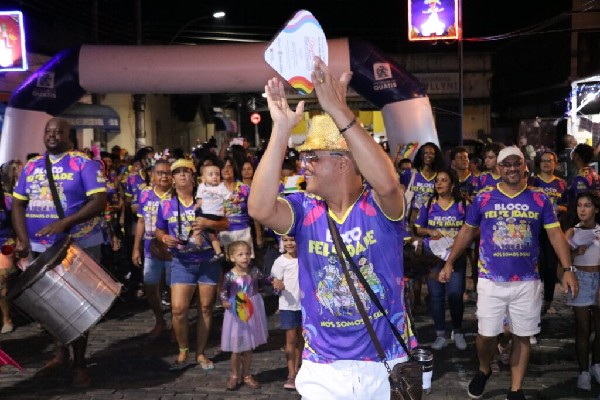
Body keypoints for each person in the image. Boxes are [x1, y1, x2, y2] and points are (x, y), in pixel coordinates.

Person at [249, 57, 413, 400]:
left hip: (384, 363)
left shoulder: (377, 206)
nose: (303, 165)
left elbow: (388, 184)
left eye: (313, 158)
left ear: (343, 163)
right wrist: (280, 131)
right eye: (303, 158)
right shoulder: (304, 209)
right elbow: (260, 209)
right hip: (322, 367)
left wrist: (339, 109)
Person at [440, 146, 578, 400]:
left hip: (527, 281)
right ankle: (484, 369)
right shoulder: (483, 198)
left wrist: (567, 269)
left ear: (524, 166)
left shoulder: (539, 199)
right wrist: (449, 262)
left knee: (522, 336)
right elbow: (467, 232)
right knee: (486, 335)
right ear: (499, 168)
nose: (512, 168)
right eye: (507, 164)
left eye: (517, 163)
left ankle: (516, 389)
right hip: (490, 280)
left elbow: (555, 235)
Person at [12, 117, 108, 388]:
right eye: (48, 131)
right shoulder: (32, 166)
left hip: (78, 243)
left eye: (58, 131)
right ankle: (60, 354)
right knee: (49, 305)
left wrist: (64, 223)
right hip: (40, 247)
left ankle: (79, 364)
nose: (52, 135)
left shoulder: (84, 163)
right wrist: (23, 239)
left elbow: (99, 201)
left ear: (69, 136)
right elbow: (18, 204)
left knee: (77, 306)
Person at [154, 158, 229, 371]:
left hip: (207, 260)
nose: (182, 175)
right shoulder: (166, 204)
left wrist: (208, 223)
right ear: (173, 178)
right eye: (178, 172)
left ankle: (201, 352)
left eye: (186, 172)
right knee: (178, 309)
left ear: (193, 177)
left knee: (205, 307)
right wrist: (164, 238)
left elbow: (225, 223)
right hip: (181, 261)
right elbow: (159, 229)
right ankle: (183, 348)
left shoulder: (206, 197)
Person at [414, 168, 468, 351]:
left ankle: (457, 331)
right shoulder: (429, 204)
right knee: (436, 296)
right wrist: (429, 231)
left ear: (452, 184)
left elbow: (471, 228)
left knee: (455, 295)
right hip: (433, 257)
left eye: (444, 180)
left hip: (456, 256)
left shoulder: (462, 204)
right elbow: (418, 228)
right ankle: (440, 334)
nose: (439, 183)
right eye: (437, 180)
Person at [132, 159, 173, 338]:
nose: (164, 176)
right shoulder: (145, 194)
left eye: (167, 173)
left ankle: (178, 323)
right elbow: (141, 221)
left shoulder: (177, 194)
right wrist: (136, 248)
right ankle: (160, 320)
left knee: (174, 287)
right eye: (160, 173)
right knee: (150, 285)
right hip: (150, 248)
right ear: (152, 175)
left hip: (172, 250)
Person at [564, 191, 600, 391]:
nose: (582, 209)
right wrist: (575, 252)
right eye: (579, 205)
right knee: (583, 328)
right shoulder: (572, 232)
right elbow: (563, 259)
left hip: (599, 278)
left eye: (587, 205)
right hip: (580, 279)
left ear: (596, 209)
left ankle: (596, 365)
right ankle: (583, 371)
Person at [220, 241, 268, 391]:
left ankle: (246, 374)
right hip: (236, 311)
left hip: (252, 310)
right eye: (240, 254)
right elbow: (223, 291)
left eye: (247, 253)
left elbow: (265, 279)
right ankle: (234, 375)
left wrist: (276, 281)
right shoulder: (230, 275)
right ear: (232, 257)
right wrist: (224, 301)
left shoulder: (254, 271)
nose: (245, 257)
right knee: (236, 346)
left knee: (248, 346)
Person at [527, 150, 567, 314]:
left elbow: (568, 205)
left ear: (555, 163)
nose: (546, 163)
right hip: (535, 230)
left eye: (550, 160)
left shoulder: (561, 183)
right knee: (535, 265)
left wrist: (561, 208)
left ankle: (548, 300)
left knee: (551, 266)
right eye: (543, 160)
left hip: (553, 229)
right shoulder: (532, 181)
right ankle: (532, 300)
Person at [271, 234, 303, 390]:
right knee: (290, 341)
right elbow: (274, 282)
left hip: (305, 305)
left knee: (303, 339)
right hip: (288, 306)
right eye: (285, 240)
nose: (289, 243)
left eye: (292, 239)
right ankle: (291, 373)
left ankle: (300, 369)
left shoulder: (304, 258)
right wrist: (277, 286)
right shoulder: (280, 261)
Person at [194, 163, 230, 258]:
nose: (214, 177)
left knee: (198, 224)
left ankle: (197, 244)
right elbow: (200, 199)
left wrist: (233, 200)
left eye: (217, 174)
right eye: (211, 174)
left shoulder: (221, 186)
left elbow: (228, 197)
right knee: (212, 234)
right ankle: (218, 252)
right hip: (208, 212)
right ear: (203, 178)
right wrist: (198, 204)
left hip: (216, 213)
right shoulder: (202, 186)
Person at [0, 161, 19, 334]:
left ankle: (7, 319)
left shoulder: (7, 199)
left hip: (5, 243)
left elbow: (17, 221)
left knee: (2, 282)